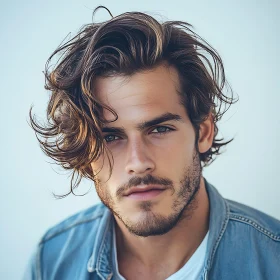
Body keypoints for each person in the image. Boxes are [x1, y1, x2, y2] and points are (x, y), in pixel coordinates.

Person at [25, 7, 280, 280]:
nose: (138, 162)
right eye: (110, 137)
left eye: (160, 129)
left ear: (204, 132)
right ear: (85, 151)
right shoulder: (51, 260)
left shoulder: (271, 259)